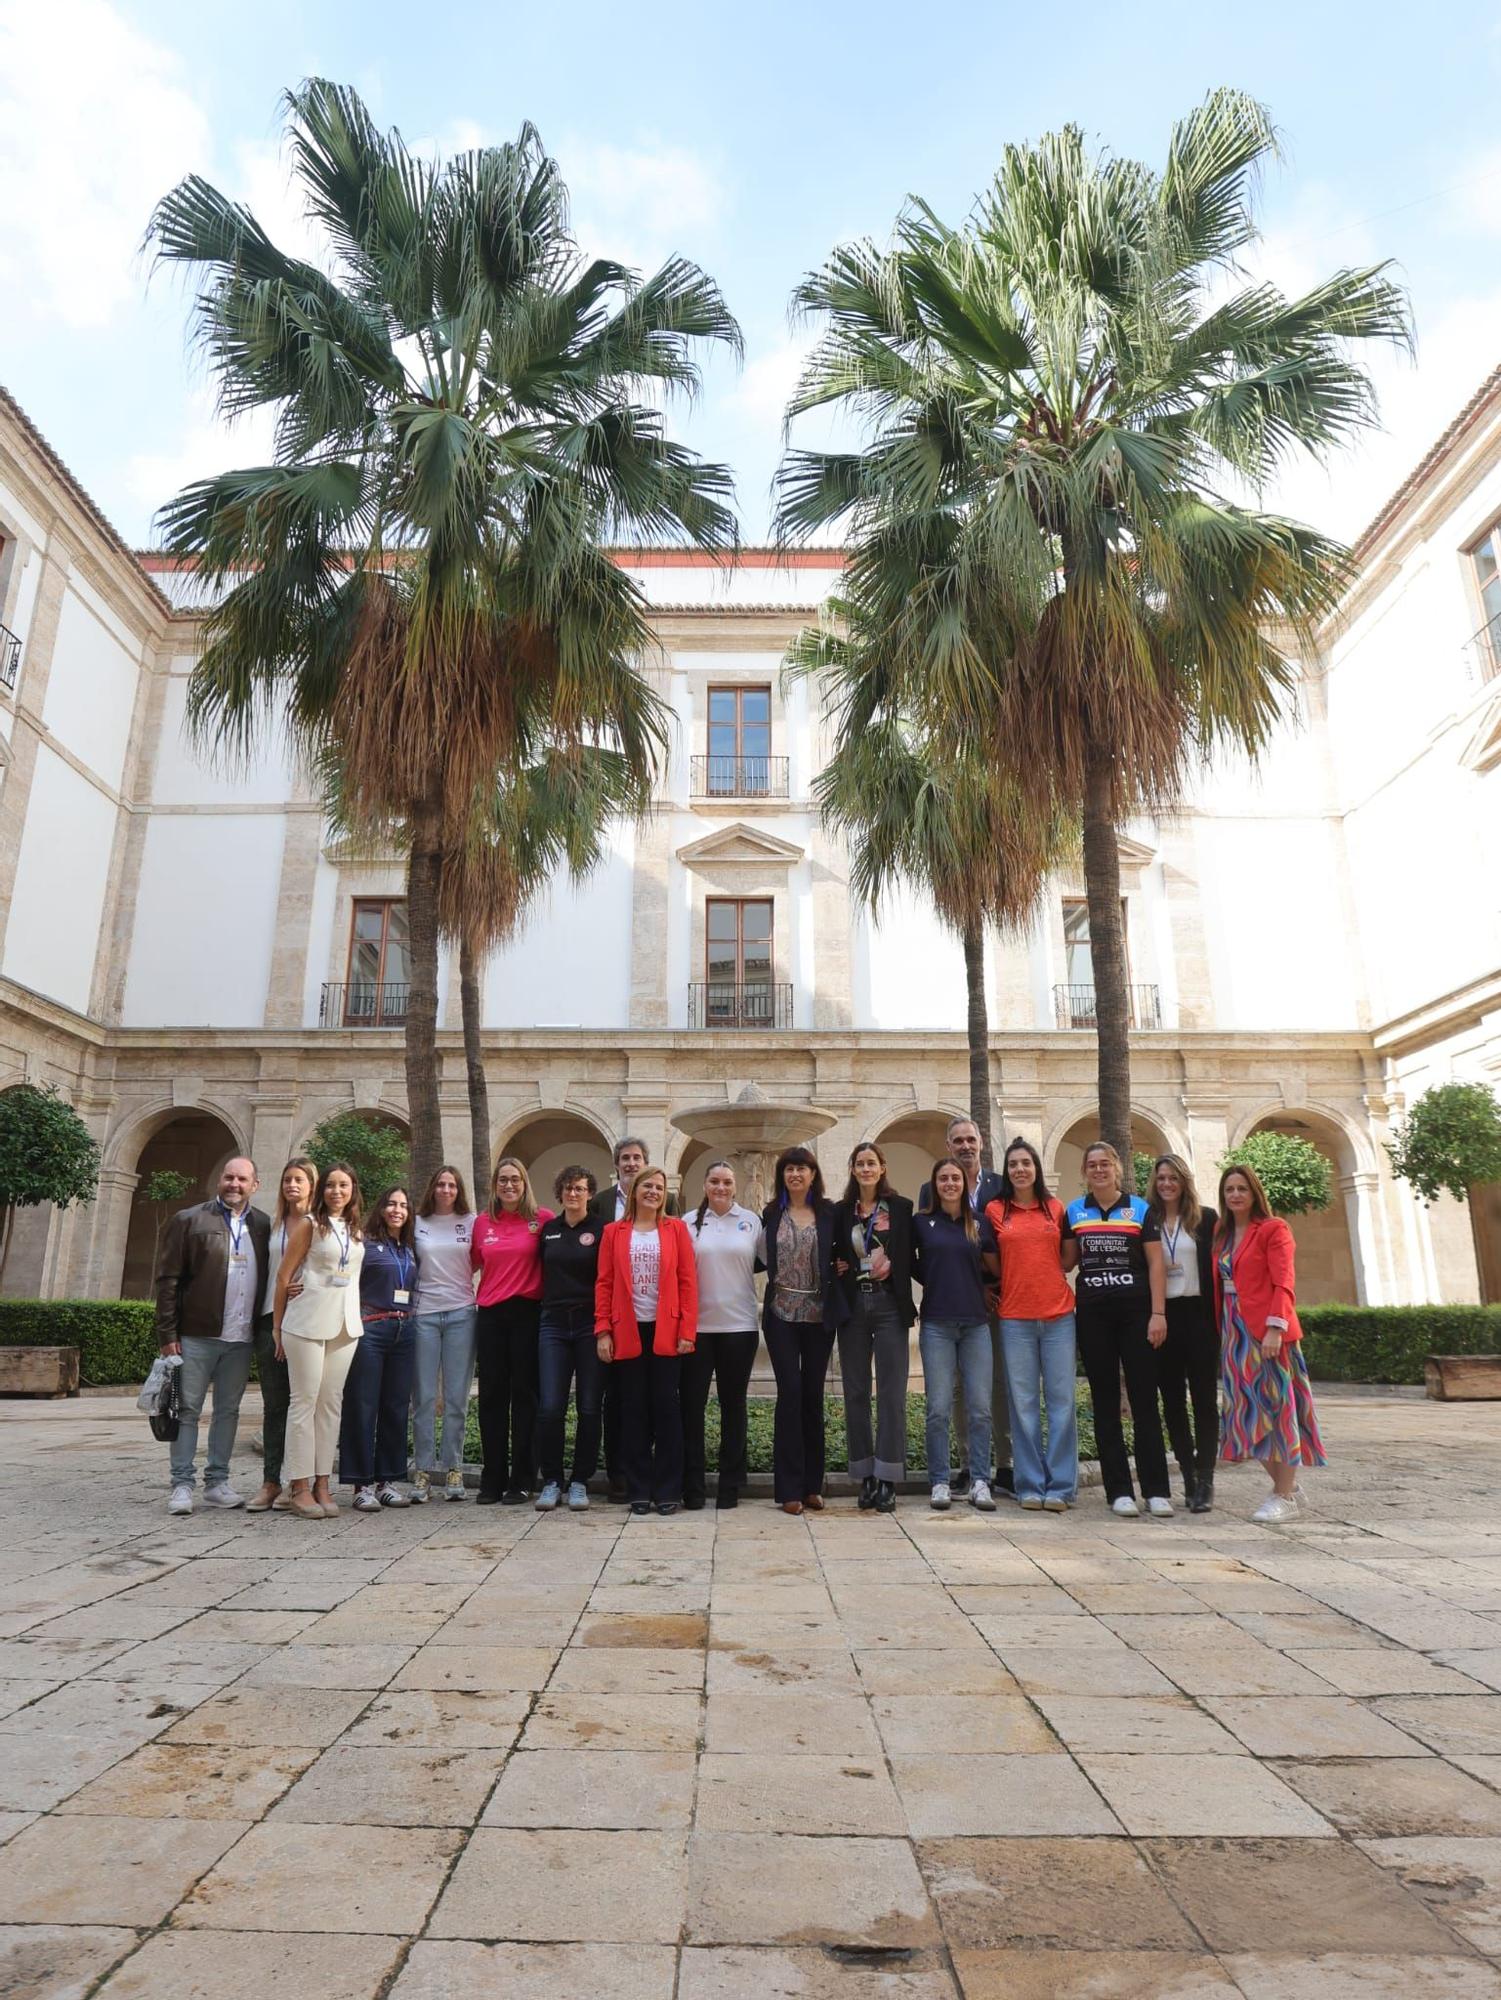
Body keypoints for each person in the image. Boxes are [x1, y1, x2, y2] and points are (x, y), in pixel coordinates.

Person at [154, 1155, 272, 1517]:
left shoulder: (263, 1225)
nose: (234, 1184)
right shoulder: (189, 1220)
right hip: (196, 1335)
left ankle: (218, 1482)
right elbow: (168, 1280)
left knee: (228, 1410)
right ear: (221, 1180)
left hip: (240, 1336)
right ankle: (182, 1484)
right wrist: (167, 1332)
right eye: (229, 1177)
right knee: (187, 1410)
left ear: (255, 1185)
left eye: (242, 1179)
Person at [1063, 1141, 1172, 1520]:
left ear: (1117, 1168)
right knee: (1105, 1403)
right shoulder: (1075, 1211)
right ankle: (1119, 1491)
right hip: (1093, 1317)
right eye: (1091, 1164)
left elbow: (1157, 1264)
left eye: (1104, 1163)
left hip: (1137, 1315)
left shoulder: (1140, 1209)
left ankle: (1157, 1490)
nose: (1098, 1170)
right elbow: (1064, 1260)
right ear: (1084, 1172)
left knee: (1145, 1401)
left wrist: (1158, 1313)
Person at [1216, 1162, 1325, 1523]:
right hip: (1234, 1334)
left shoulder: (1274, 1229)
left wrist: (1276, 1328)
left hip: (1267, 1333)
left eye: (1241, 1189)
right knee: (1246, 1416)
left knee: (1277, 1411)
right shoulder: (1222, 1232)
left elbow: (1284, 1282)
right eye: (1229, 1189)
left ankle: (1283, 1494)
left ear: (1254, 1193)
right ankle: (1289, 1491)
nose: (1235, 1195)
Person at [594, 1167, 698, 1514]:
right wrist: (603, 1330)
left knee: (667, 1409)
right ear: (634, 1191)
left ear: (665, 1194)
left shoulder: (676, 1229)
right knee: (633, 1410)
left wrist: (687, 1331)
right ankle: (638, 1489)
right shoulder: (614, 1232)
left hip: (666, 1331)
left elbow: (687, 1282)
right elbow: (604, 1283)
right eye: (647, 1186)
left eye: (659, 1187)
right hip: (628, 1330)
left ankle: (669, 1489)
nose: (653, 1191)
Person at [918, 1116, 1012, 1493]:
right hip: (951, 1305)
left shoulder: (999, 1186)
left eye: (970, 1139)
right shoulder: (930, 1190)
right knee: (954, 1391)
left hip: (994, 1301)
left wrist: (990, 1286)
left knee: (998, 1384)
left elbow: (1001, 1246)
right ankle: (967, 1463)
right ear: (948, 1146)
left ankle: (1004, 1464)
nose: (965, 1146)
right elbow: (931, 1256)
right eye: (958, 1140)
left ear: (981, 1141)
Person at [986, 1138, 1078, 1512]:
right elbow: (993, 1261)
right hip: (1015, 1319)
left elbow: (1068, 1259)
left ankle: (1060, 1487)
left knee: (1061, 1403)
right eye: (1013, 1165)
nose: (1020, 1169)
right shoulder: (995, 1210)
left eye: (1026, 1163)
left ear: (1037, 1168)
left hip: (1058, 1318)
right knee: (1022, 1404)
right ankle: (1029, 1484)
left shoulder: (1055, 1208)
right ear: (1006, 1172)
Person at [274, 1162, 365, 1520]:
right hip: (306, 1323)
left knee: (331, 1405)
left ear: (353, 1189)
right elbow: (283, 1277)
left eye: (343, 1185)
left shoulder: (356, 1230)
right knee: (304, 1403)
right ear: (321, 1190)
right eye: (330, 1185)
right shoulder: (309, 1225)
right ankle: (298, 1485)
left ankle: (323, 1484)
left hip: (345, 1325)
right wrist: (277, 1328)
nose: (336, 1192)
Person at [829, 1140, 915, 1513]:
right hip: (853, 1308)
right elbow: (833, 1253)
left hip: (889, 1305)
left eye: (871, 1163)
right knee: (856, 1392)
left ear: (882, 1168)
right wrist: (837, 1266)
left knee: (892, 1394)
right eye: (859, 1163)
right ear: (852, 1169)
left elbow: (910, 1253)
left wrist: (896, 1265)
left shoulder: (900, 1208)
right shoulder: (841, 1212)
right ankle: (864, 1476)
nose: (865, 1169)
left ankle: (888, 1478)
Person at [915, 1158, 997, 1511]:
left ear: (965, 1183)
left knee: (979, 1407)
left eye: (955, 1178)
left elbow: (995, 1266)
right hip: (937, 1323)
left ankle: (980, 1480)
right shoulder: (921, 1223)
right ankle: (939, 1482)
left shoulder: (979, 1222)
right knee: (938, 1408)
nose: (950, 1183)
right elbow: (908, 1262)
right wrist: (934, 1279)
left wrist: (987, 1288)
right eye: (943, 1178)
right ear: (935, 1185)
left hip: (976, 1323)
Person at [760, 1146, 837, 1516]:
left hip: (819, 1315)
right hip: (781, 1314)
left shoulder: (829, 1213)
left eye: (802, 1169)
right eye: (789, 1169)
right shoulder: (772, 1213)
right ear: (783, 1176)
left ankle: (812, 1485)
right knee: (789, 1392)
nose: (796, 1175)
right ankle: (788, 1488)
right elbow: (759, 1258)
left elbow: (843, 1254)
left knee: (812, 1396)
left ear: (812, 1174)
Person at [682, 1161, 763, 1511]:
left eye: (727, 1182)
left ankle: (731, 1486)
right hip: (695, 1329)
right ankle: (693, 1487)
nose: (721, 1187)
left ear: (735, 1185)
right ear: (704, 1185)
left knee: (734, 1406)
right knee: (691, 1408)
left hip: (739, 1327)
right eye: (714, 1181)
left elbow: (765, 1262)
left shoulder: (751, 1221)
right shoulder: (686, 1223)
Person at [472, 1156, 551, 1505]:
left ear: (525, 1183)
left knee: (524, 1397)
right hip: (490, 1315)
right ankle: (492, 1479)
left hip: (527, 1313)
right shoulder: (482, 1223)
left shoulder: (543, 1219)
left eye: (515, 1179)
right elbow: (471, 1263)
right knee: (490, 1398)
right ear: (495, 1185)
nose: (508, 1185)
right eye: (503, 1179)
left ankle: (521, 1479)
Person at [1149, 1154, 1220, 1514]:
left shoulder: (1205, 1219)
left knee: (1206, 1400)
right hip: (1164, 1316)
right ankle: (1188, 1476)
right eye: (1161, 1178)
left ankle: (1206, 1477)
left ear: (1183, 1181)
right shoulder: (1149, 1220)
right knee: (1173, 1401)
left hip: (1199, 1315)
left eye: (1172, 1178)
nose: (1166, 1184)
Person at [341, 1185, 418, 1511]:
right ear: (381, 1208)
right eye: (391, 1204)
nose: (397, 1210)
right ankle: (361, 1485)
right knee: (363, 1405)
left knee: (396, 1406)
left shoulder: (410, 1249)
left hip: (405, 1330)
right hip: (372, 1329)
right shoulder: (364, 1243)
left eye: (402, 1205)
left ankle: (387, 1481)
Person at [246, 1155, 315, 1512]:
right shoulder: (268, 1226)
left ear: (311, 1186)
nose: (292, 1185)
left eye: (299, 1180)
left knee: (305, 1405)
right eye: (288, 1179)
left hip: (306, 1321)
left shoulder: (321, 1225)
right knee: (275, 1405)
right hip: (270, 1320)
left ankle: (297, 1481)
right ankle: (271, 1481)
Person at [536, 1165, 605, 1512]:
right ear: (560, 1193)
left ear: (590, 1193)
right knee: (550, 1407)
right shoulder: (549, 1230)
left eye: (579, 1188)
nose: (573, 1193)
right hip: (553, 1325)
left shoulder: (602, 1230)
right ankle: (551, 1480)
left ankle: (579, 1480)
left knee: (590, 1407)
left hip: (589, 1324)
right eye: (567, 1188)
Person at [410, 1165, 478, 1503]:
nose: (446, 1189)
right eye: (441, 1184)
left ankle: (453, 1468)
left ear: (459, 1189)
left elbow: (479, 1259)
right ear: (432, 1188)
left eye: (452, 1184)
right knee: (422, 1396)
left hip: (462, 1313)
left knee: (456, 1397)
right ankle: (422, 1470)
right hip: (423, 1314)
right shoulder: (417, 1223)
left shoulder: (472, 1222)